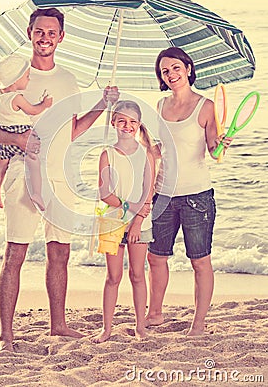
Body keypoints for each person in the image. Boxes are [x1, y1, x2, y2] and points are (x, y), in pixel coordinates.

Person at [0, 7, 119, 352]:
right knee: (15, 253)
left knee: (60, 252)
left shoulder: (68, 81)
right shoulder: (13, 77)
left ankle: (58, 325)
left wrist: (102, 103)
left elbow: (72, 131)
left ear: (61, 37)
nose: (45, 38)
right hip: (21, 174)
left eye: (52, 33)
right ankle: (6, 336)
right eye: (39, 31)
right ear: (30, 32)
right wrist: (18, 140)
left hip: (60, 175)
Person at [145, 47, 232, 336]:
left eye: (175, 68)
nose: (171, 74)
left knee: (199, 261)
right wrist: (137, 136)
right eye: (165, 71)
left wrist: (222, 144)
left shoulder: (205, 106)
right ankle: (155, 313)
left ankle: (198, 323)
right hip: (163, 195)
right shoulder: (159, 106)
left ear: (188, 68)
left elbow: (212, 150)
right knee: (155, 257)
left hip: (197, 197)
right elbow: (156, 152)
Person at [92, 100, 156, 343]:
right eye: (122, 121)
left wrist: (137, 221)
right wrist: (126, 207)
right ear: (113, 123)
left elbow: (148, 192)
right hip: (111, 222)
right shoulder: (107, 154)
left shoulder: (146, 154)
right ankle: (106, 329)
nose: (127, 126)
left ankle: (140, 327)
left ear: (138, 125)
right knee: (113, 277)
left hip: (140, 222)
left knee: (138, 274)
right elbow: (104, 193)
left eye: (132, 122)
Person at [0, 54, 53, 210]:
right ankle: (37, 194)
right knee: (34, 161)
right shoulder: (17, 98)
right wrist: (45, 104)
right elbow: (33, 111)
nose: (28, 79)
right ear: (16, 79)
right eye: (26, 76)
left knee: (2, 165)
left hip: (4, 136)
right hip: (22, 133)